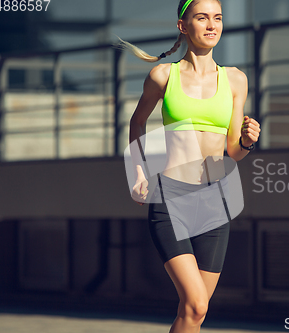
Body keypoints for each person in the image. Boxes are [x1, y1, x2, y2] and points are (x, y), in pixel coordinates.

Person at [121, 0, 260, 332]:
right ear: (183, 26)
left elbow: (232, 151)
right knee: (196, 302)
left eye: (218, 18)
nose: (212, 25)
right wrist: (137, 172)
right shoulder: (162, 75)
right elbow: (137, 123)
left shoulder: (235, 80)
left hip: (215, 202)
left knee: (194, 313)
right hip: (171, 200)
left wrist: (247, 142)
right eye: (202, 18)